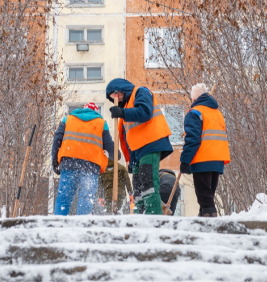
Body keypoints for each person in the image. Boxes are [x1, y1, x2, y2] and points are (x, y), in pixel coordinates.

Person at [106, 78, 173, 215]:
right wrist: (131, 160)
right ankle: (139, 217)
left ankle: (153, 217)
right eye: (112, 98)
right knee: (137, 188)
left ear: (122, 90)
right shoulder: (126, 110)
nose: (116, 99)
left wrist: (122, 113)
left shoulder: (141, 92)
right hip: (138, 152)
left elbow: (145, 112)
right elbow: (129, 139)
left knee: (148, 182)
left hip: (151, 144)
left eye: (116, 95)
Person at [51, 102, 115, 215]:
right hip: (90, 166)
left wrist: (55, 161)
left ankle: (58, 226)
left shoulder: (68, 119)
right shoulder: (101, 123)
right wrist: (117, 154)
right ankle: (81, 227)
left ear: (82, 110)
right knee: (86, 199)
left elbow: (57, 139)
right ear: (96, 112)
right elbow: (110, 147)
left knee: (64, 199)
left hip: (69, 163)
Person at [180, 84, 230, 217]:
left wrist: (185, 160)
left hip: (203, 158)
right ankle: (203, 216)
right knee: (208, 194)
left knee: (204, 194)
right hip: (218, 157)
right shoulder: (217, 113)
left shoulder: (195, 113)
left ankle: (209, 218)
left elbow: (192, 139)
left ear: (194, 99)